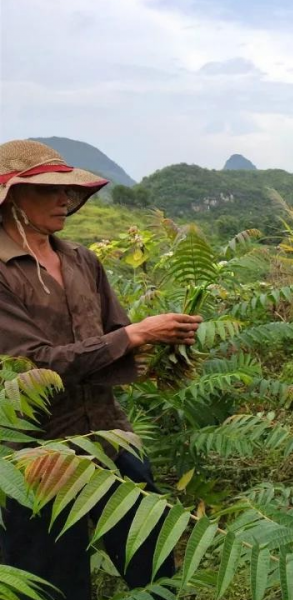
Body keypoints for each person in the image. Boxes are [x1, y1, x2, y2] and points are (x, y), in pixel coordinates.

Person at [0, 139, 203, 600]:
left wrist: (158, 348)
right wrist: (133, 337)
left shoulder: (80, 261)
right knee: (53, 580)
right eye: (49, 190)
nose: (63, 200)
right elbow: (34, 364)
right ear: (12, 196)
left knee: (152, 562)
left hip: (110, 435)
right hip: (38, 455)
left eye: (66, 190)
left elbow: (115, 334)